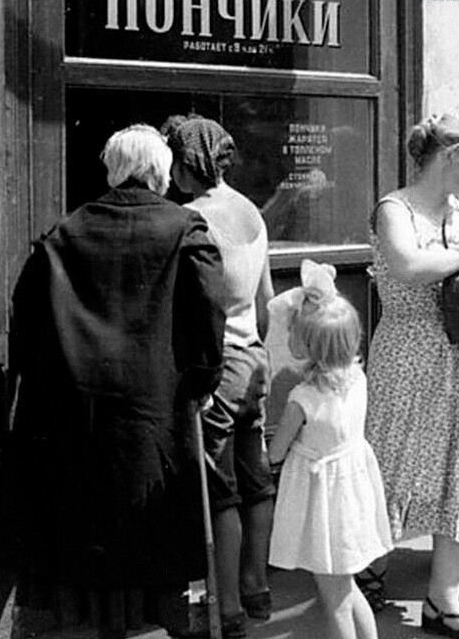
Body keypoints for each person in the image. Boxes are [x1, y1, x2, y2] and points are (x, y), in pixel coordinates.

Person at [0, 124, 226, 638]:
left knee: (91, 523)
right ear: (160, 173)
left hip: (78, 409)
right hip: (155, 408)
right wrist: (205, 379)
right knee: (149, 525)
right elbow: (209, 310)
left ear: (113, 170)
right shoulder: (185, 229)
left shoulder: (64, 233)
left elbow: (25, 321)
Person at [365, 112, 459, 639]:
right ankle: (368, 567)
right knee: (391, 464)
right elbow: (407, 266)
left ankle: (443, 602)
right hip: (406, 354)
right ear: (448, 157)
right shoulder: (395, 208)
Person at [164, 115, 275, 639]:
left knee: (220, 487)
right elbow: (266, 301)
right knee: (256, 478)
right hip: (254, 355)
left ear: (190, 163)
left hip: (221, 363)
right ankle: (256, 587)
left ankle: (226, 607)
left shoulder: (191, 218)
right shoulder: (250, 209)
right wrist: (258, 349)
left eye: (175, 161)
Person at [267, 259, 392, 639]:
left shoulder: (301, 398)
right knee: (347, 587)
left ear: (307, 346)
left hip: (322, 505)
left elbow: (275, 453)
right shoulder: (357, 379)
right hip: (352, 496)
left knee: (334, 597)